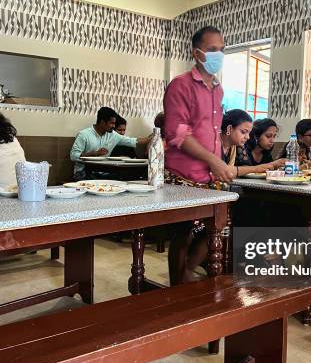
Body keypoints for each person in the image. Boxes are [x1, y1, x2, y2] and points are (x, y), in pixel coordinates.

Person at [163, 26, 235, 284]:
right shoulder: (181, 85)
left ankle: (188, 272)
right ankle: (177, 286)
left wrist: (218, 161)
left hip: (208, 175)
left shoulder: (218, 89)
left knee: (220, 223)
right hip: (183, 174)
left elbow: (213, 132)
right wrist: (214, 160)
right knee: (182, 234)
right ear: (197, 53)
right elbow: (178, 134)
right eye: (213, 50)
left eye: (222, 50)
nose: (219, 54)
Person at [70, 107, 150, 179]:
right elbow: (73, 156)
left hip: (103, 172)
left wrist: (154, 137)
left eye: (114, 123)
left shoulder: (113, 135)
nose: (113, 126)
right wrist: (94, 153)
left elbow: (132, 141)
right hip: (82, 172)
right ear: (102, 122)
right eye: (111, 123)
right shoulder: (84, 134)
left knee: (126, 176)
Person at [221, 110, 283, 174]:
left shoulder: (234, 146)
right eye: (243, 132)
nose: (248, 137)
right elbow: (222, 170)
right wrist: (255, 169)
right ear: (229, 129)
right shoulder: (215, 146)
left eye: (248, 133)